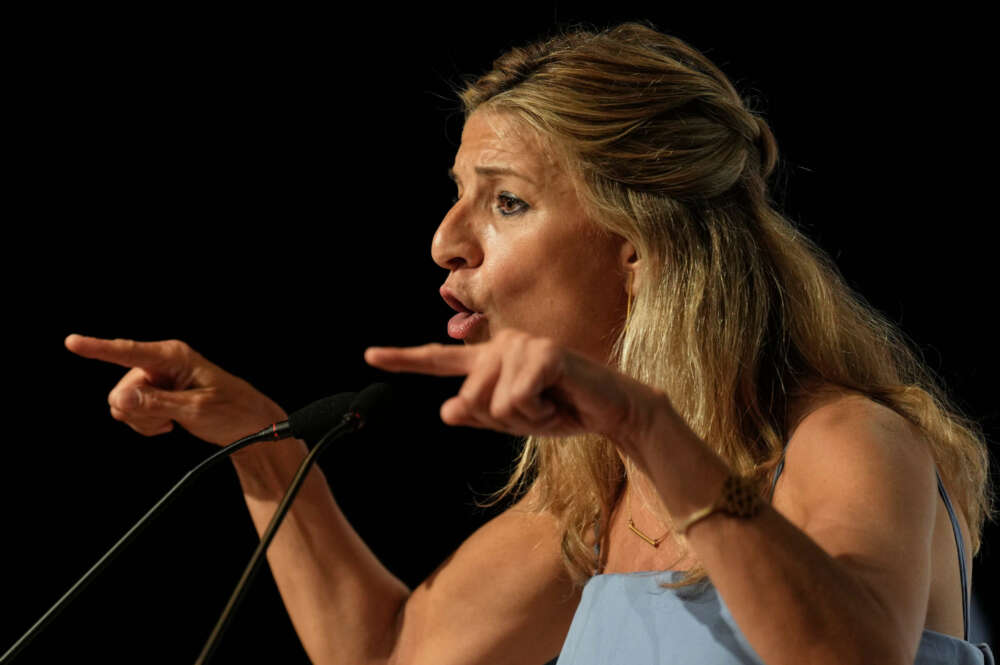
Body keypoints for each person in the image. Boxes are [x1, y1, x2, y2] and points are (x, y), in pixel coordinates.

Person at [65, 22, 993, 665]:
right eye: (460, 192)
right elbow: (392, 650)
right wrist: (260, 441)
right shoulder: (596, 503)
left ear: (638, 250)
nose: (444, 239)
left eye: (505, 201)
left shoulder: (847, 442)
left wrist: (648, 426)